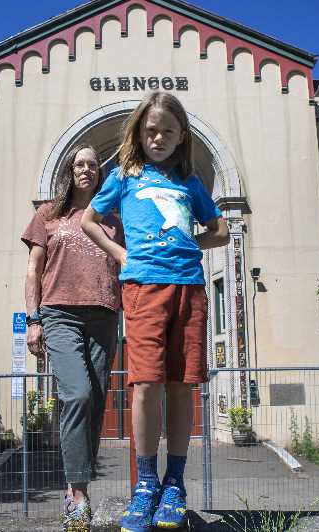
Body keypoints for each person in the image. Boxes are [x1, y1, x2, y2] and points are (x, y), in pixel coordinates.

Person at [81, 91, 229, 531]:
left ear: (181, 136)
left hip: (189, 288)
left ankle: (175, 484)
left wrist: (189, 245)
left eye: (167, 130)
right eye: (151, 130)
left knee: (182, 385)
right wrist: (119, 253)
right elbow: (90, 220)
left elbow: (219, 230)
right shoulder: (125, 176)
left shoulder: (189, 182)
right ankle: (146, 485)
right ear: (139, 134)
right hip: (143, 288)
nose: (158, 137)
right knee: (145, 384)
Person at [22, 144, 124, 531]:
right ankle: (77, 495)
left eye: (92, 164)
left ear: (100, 172)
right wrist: (34, 320)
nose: (86, 169)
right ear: (71, 170)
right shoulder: (49, 214)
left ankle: (79, 487)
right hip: (59, 312)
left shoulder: (112, 219)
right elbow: (33, 271)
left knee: (96, 404)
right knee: (77, 393)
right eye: (79, 164)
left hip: (103, 315)